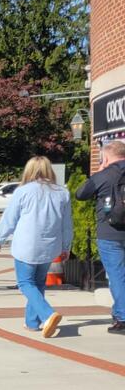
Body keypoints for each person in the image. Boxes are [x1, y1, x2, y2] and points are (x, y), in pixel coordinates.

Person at [0, 156, 73, 338]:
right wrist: (66, 245)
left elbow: (10, 217)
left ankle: (47, 314)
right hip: (50, 246)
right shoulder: (62, 192)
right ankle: (32, 322)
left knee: (25, 283)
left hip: (26, 245)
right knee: (38, 283)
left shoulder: (23, 191)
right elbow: (66, 223)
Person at [75, 139, 125, 334]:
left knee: (117, 275)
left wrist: (101, 170)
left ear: (106, 157)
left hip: (109, 233)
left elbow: (80, 194)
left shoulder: (104, 175)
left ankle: (122, 317)